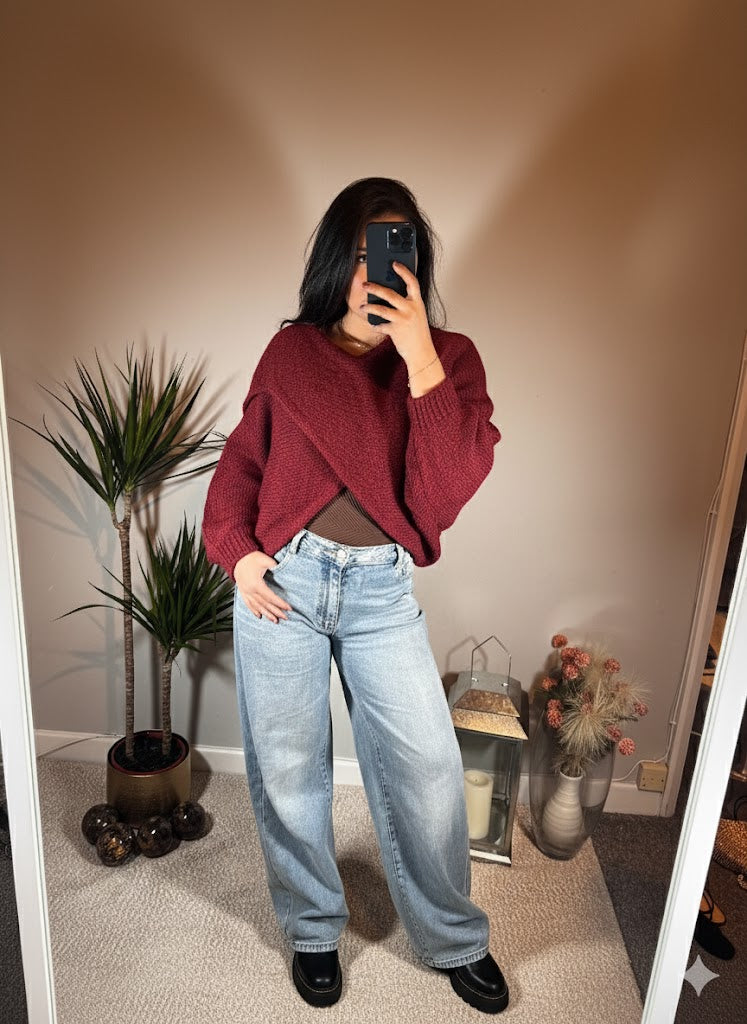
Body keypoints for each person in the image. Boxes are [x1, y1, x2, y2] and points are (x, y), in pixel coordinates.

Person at [202, 177, 506, 1013]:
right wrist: (237, 553)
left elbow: (441, 495)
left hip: (380, 592)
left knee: (428, 769)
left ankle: (452, 936)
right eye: (368, 249)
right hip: (286, 581)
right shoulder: (291, 354)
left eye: (397, 250)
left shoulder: (449, 359)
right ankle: (311, 930)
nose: (381, 268)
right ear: (341, 258)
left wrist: (418, 358)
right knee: (288, 767)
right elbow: (242, 462)